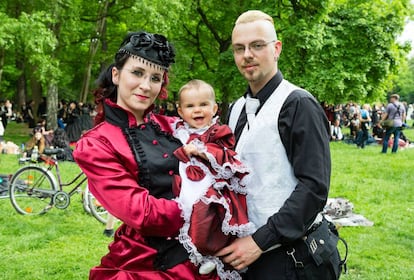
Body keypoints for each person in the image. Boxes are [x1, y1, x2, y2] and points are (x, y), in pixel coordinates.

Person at [73, 31, 219, 279]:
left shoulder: (174, 126)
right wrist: (208, 215)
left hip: (209, 256)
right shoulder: (96, 144)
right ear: (116, 75)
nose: (145, 85)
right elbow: (141, 212)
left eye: (155, 78)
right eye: (137, 73)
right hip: (147, 264)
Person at [217, 10, 336, 280]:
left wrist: (260, 241)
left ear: (276, 49)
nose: (247, 55)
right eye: (239, 48)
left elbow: (314, 189)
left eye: (257, 45)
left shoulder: (299, 104)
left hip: (289, 260)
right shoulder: (235, 109)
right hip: (247, 258)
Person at [172, 79, 254, 278]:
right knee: (184, 217)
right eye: (190, 106)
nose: (197, 110)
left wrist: (201, 151)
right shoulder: (178, 131)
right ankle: (195, 255)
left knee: (206, 218)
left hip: (208, 183)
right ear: (181, 111)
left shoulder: (217, 132)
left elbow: (226, 153)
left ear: (214, 108)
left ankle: (212, 256)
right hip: (185, 184)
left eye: (203, 105)